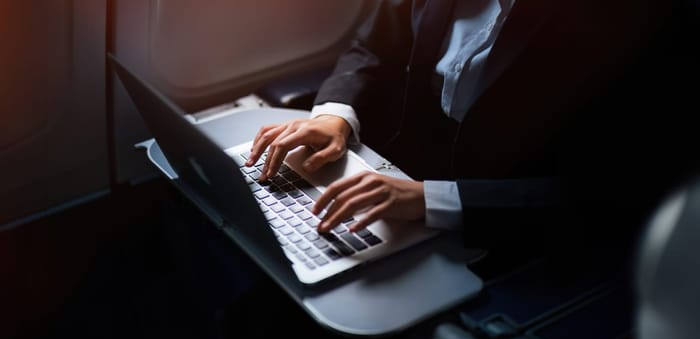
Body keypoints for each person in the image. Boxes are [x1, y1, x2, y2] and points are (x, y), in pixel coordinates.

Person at [244, 0, 696, 254]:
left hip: (507, 228)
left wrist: (432, 200)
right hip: (393, 174)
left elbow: (622, 192)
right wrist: (334, 114)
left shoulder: (643, 24)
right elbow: (374, 44)